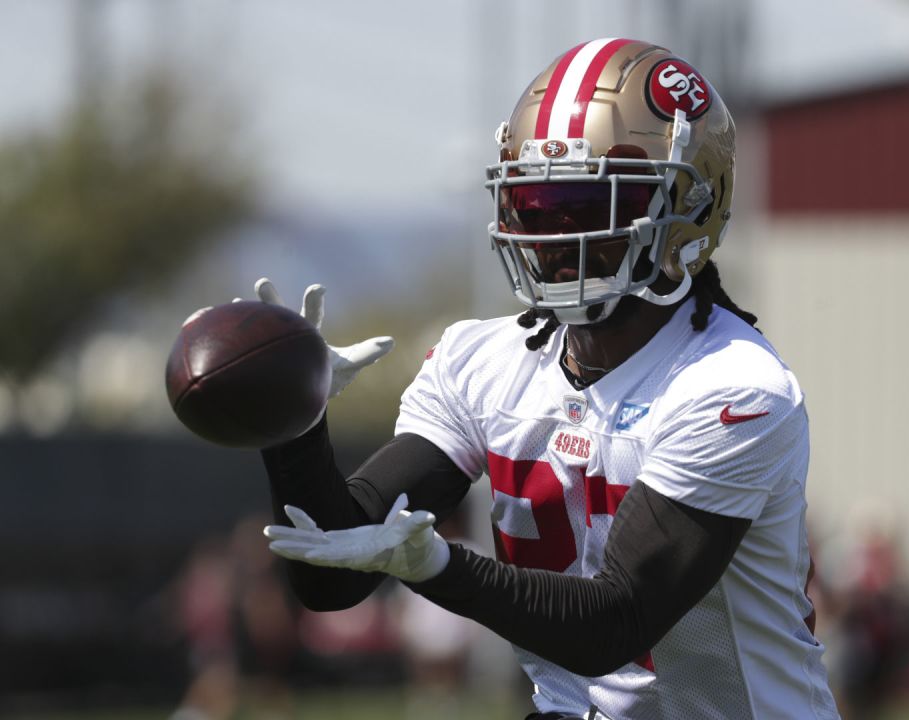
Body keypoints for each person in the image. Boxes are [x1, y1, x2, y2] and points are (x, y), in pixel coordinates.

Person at [250, 39, 839, 719]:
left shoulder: (732, 389)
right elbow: (329, 572)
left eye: (587, 207)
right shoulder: (484, 361)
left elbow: (613, 625)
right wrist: (291, 419)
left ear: (690, 207)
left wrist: (437, 566)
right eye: (534, 205)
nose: (556, 239)